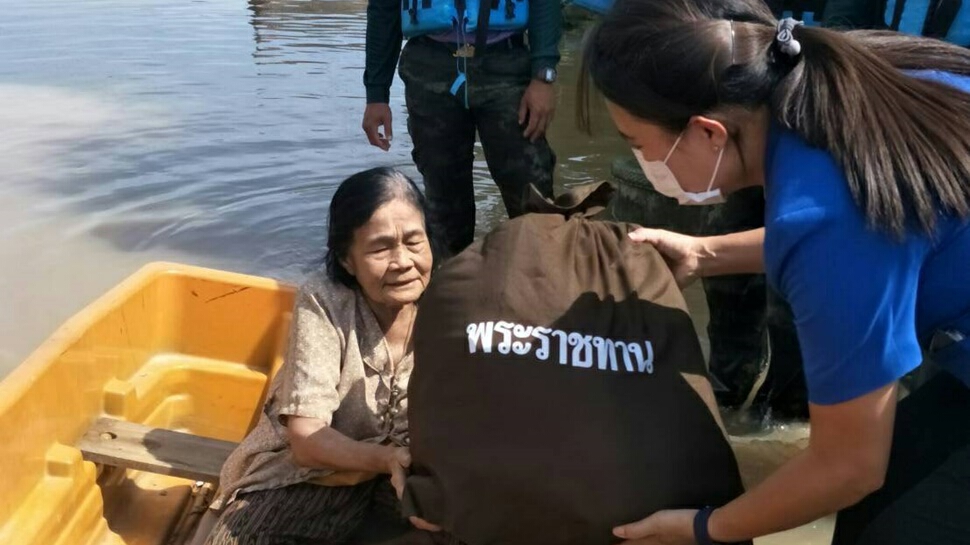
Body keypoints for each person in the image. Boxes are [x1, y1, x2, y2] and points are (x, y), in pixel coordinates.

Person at [578, 0, 970, 543]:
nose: (642, 161)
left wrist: (705, 527)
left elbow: (850, 467)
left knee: (883, 526)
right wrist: (705, 253)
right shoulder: (841, 81)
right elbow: (867, 234)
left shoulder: (827, 209)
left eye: (638, 144)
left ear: (709, 133)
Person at [203, 167, 435, 545]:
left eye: (414, 241)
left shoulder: (452, 298)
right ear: (347, 260)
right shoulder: (324, 300)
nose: (403, 262)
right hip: (313, 474)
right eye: (380, 248)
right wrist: (387, 459)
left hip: (409, 476)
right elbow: (307, 440)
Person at [362, 0, 562, 256]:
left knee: (530, 189)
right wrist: (377, 94)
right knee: (443, 196)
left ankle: (545, 276)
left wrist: (543, 76)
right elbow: (383, 9)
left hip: (507, 67)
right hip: (429, 69)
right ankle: (451, 283)